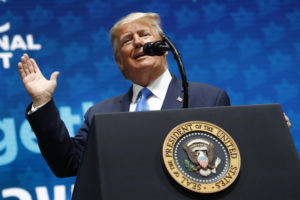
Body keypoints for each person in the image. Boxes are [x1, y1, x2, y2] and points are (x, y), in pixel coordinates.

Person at [18, 12, 290, 178]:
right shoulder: (101, 113)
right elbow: (67, 164)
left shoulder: (209, 97)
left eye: (144, 35)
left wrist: (266, 133)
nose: (137, 42)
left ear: (164, 47)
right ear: (119, 62)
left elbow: (230, 160)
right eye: (127, 40)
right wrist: (43, 102)